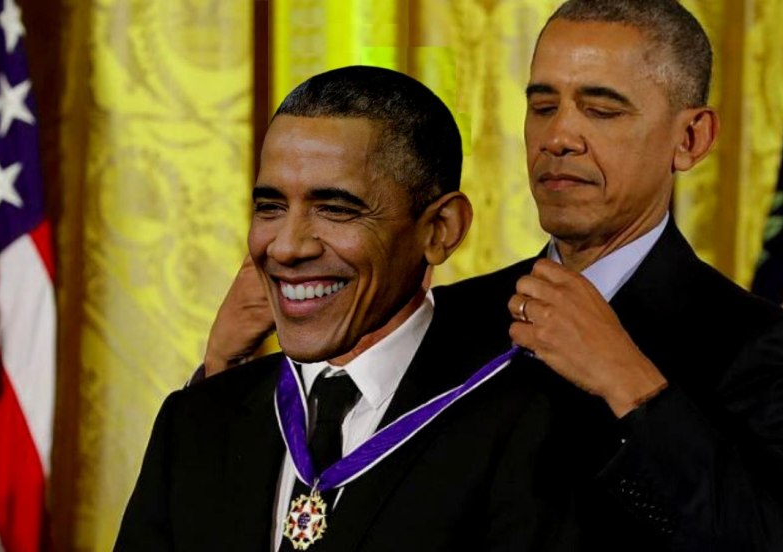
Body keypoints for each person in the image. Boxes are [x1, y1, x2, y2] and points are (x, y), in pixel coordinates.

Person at [200, 1, 783, 550]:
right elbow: (331, 503)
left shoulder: (758, 345)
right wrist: (218, 379)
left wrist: (628, 381)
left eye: (601, 110)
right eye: (543, 106)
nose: (559, 138)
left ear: (690, 139)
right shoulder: (444, 318)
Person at [117, 66, 564, 551]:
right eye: (270, 207)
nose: (286, 247)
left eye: (335, 209)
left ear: (440, 230)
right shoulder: (197, 420)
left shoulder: (530, 424)